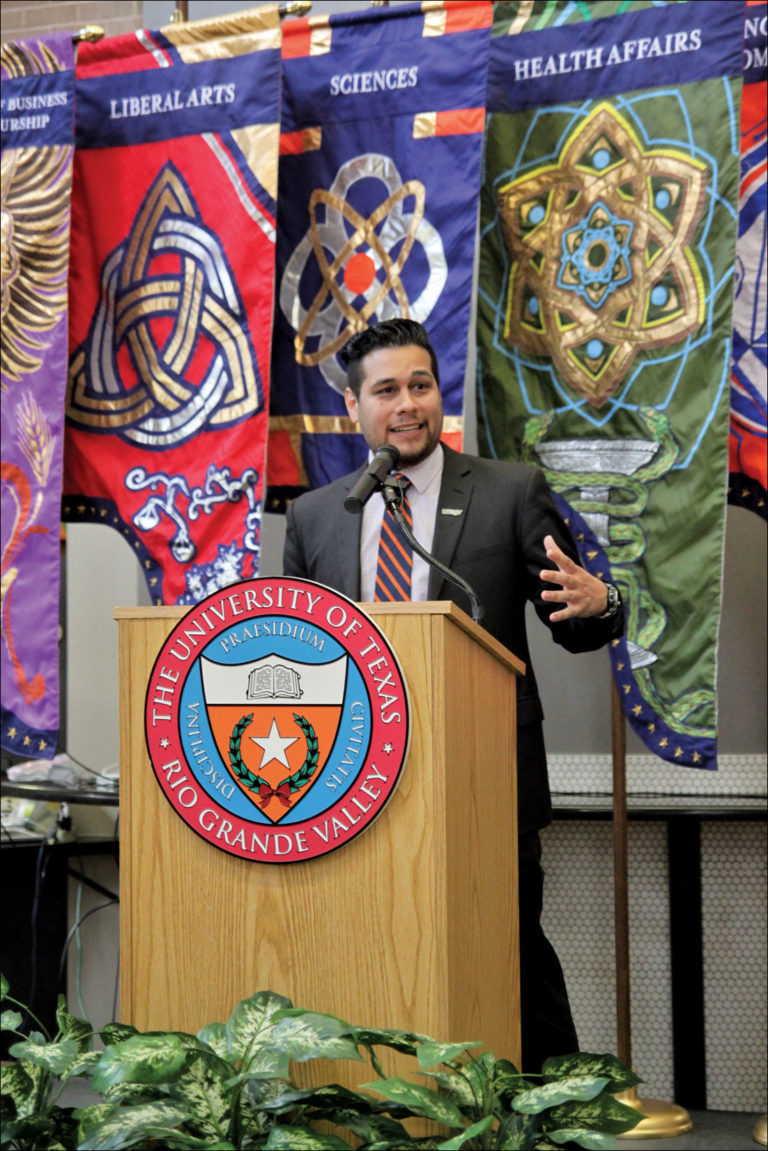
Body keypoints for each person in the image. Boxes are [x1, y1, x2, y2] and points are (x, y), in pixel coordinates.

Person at [283, 318, 624, 1072]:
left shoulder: (509, 492)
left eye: (421, 385)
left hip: (483, 779)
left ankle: (547, 1107)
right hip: (355, 782)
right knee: (373, 954)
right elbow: (307, 664)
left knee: (509, 953)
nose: (407, 404)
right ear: (353, 405)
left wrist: (601, 603)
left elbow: (573, 626)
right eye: (386, 390)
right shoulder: (315, 516)